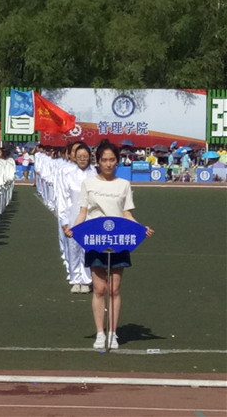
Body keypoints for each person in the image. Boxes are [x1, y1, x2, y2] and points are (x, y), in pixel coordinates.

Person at [68, 142, 154, 350]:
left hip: (119, 240)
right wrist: (74, 229)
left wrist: (140, 229)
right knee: (99, 288)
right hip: (95, 239)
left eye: (112, 160)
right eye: (104, 160)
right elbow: (83, 212)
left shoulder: (123, 184)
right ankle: (100, 333)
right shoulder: (88, 183)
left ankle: (113, 333)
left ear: (117, 162)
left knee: (114, 289)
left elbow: (127, 213)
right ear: (98, 161)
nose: (108, 164)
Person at [58, 143, 97, 293]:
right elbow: (62, 198)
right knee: (73, 248)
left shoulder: (95, 174)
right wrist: (64, 220)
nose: (82, 159)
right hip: (72, 214)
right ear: (74, 157)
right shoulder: (68, 173)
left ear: (90, 157)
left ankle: (86, 280)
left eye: (85, 156)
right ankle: (75, 279)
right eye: (79, 156)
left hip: (91, 216)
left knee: (87, 248)